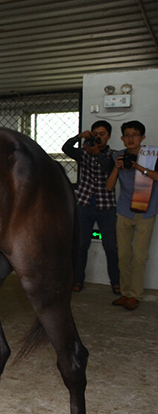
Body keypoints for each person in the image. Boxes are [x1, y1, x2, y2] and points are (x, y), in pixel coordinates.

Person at [62, 120, 119, 294]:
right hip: (84, 205)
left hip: (106, 206)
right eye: (96, 134)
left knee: (111, 246)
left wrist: (97, 153)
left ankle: (116, 282)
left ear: (109, 136)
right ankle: (78, 280)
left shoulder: (113, 155)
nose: (99, 137)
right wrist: (78, 137)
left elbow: (107, 168)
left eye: (102, 134)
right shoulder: (83, 153)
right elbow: (66, 148)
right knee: (81, 245)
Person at [106, 120, 156, 311]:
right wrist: (117, 167)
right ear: (122, 138)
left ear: (142, 137)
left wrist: (138, 167)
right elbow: (110, 186)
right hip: (125, 210)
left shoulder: (152, 155)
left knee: (140, 256)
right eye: (127, 135)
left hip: (147, 211)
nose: (130, 139)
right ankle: (125, 293)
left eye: (135, 135)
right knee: (124, 255)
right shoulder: (118, 156)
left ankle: (135, 295)